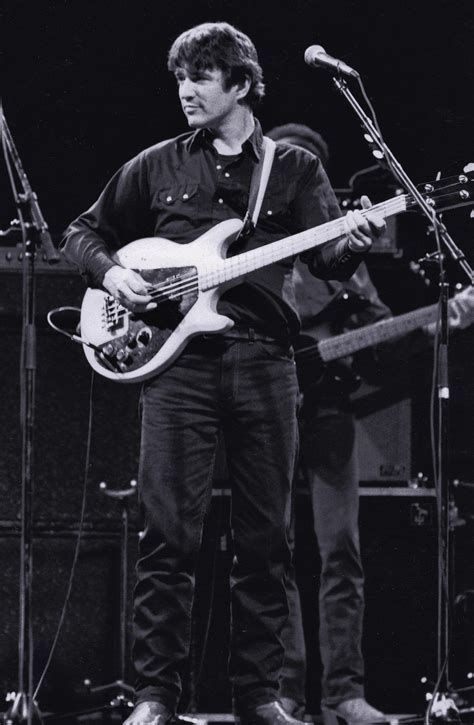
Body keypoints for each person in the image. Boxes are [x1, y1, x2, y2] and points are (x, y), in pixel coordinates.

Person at [61, 24, 384, 725]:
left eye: (202, 75)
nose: (185, 88)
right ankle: (155, 696)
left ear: (240, 84)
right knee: (168, 536)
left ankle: (259, 696)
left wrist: (350, 240)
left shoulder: (294, 167)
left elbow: (326, 261)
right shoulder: (156, 165)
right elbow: (80, 233)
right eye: (181, 75)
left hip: (266, 364)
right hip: (179, 371)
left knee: (267, 541)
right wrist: (115, 275)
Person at [265, 123, 474, 725]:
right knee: (272, 552)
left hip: (329, 408)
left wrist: (436, 322)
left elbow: (378, 335)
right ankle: (283, 694)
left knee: (342, 551)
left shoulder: (344, 252)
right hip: (269, 408)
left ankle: (343, 696)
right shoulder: (251, 240)